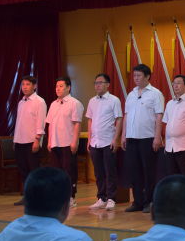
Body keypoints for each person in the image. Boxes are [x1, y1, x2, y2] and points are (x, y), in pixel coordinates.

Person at [121, 64, 164, 213]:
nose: (136, 78)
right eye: (134, 76)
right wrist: (123, 135)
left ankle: (149, 201)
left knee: (149, 171)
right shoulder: (131, 94)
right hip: (132, 138)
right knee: (134, 171)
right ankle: (137, 202)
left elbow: (159, 116)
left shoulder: (155, 93)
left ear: (147, 76)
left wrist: (157, 136)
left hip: (148, 137)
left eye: (139, 75)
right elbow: (126, 115)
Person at [85, 73, 122, 211]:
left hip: (108, 141)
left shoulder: (114, 100)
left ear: (108, 84)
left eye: (100, 82)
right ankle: (101, 198)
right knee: (98, 172)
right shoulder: (92, 101)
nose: (98, 85)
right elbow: (90, 120)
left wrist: (116, 139)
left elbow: (119, 119)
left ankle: (111, 198)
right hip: (95, 141)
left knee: (110, 170)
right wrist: (89, 139)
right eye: (96, 83)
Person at [45, 76, 83, 208]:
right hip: (55, 143)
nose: (58, 89)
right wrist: (49, 141)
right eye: (56, 86)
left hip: (68, 142)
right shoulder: (53, 104)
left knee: (69, 171)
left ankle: (71, 197)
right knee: (56, 171)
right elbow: (50, 124)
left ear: (68, 87)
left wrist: (75, 142)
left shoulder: (75, 103)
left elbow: (77, 124)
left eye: (61, 86)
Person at [12, 75, 47, 206]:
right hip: (19, 141)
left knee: (34, 171)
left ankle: (38, 197)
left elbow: (41, 123)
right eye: (23, 84)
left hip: (32, 141)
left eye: (28, 84)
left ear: (34, 86)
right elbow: (19, 123)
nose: (25, 87)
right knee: (23, 171)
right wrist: (15, 140)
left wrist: (37, 140)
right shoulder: (21, 102)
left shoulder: (39, 102)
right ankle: (27, 197)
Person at [161, 74, 185, 179]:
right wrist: (165, 142)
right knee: (172, 177)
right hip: (170, 147)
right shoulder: (169, 103)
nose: (175, 86)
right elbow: (166, 124)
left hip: (184, 146)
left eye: (179, 83)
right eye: (174, 83)